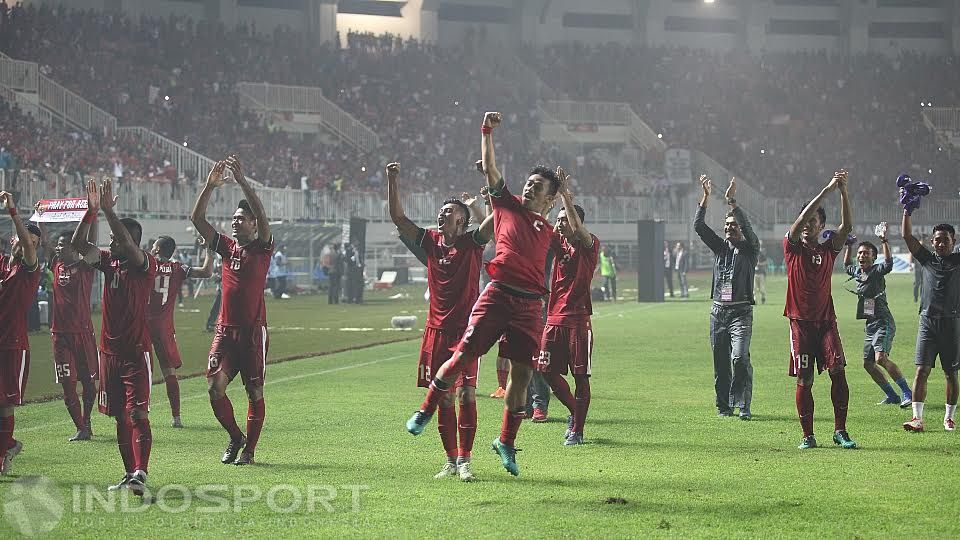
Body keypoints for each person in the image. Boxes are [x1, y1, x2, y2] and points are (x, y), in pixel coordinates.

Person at [406, 112, 559, 477]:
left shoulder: (548, 229)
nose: (530, 188)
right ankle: (426, 409)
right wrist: (486, 130)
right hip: (498, 294)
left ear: (549, 199)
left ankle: (505, 441)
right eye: (529, 182)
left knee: (521, 377)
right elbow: (491, 167)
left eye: (538, 187)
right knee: (462, 357)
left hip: (529, 306)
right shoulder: (506, 204)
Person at [388, 161, 487, 481]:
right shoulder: (430, 241)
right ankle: (450, 460)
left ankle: (466, 461)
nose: (442, 214)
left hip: (466, 332)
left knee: (467, 394)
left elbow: (497, 227)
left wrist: (482, 203)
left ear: (462, 220)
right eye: (441, 211)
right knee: (444, 396)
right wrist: (393, 181)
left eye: (449, 211)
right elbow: (399, 219)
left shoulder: (472, 243)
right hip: (435, 332)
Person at [71, 178, 157, 495]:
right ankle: (128, 474)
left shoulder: (145, 264)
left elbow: (126, 243)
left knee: (137, 413)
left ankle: (141, 473)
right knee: (119, 417)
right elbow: (79, 247)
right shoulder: (110, 263)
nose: (110, 241)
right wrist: (91, 212)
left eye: (116, 239)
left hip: (136, 353)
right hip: (109, 353)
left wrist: (109, 212)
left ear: (131, 242)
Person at [191, 156, 273, 465]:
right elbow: (197, 219)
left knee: (254, 393)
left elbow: (263, 213)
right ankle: (236, 436)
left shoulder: (263, 246)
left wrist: (242, 182)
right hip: (225, 332)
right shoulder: (227, 247)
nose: (235, 221)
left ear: (254, 224)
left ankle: (250, 451)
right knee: (214, 388)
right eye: (234, 218)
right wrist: (209, 186)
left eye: (241, 218)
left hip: (253, 333)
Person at [784, 169, 857, 450]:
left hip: (826, 322)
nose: (806, 225)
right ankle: (807, 435)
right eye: (805, 220)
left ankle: (840, 431)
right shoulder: (792, 248)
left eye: (813, 221)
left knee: (838, 371)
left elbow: (847, 227)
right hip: (800, 324)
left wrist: (843, 192)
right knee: (805, 379)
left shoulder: (828, 249)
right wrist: (826, 190)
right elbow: (800, 219)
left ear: (821, 225)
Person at [537, 170, 599, 445]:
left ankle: (578, 430)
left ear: (577, 223)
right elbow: (539, 224)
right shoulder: (559, 244)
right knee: (545, 370)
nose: (559, 224)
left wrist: (565, 198)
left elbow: (575, 225)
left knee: (580, 376)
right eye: (559, 220)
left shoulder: (589, 244)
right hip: (553, 317)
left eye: (564, 220)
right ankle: (576, 412)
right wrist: (550, 203)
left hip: (577, 321)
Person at [694, 176, 759, 420]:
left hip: (741, 313)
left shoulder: (751, 249)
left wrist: (732, 203)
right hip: (718, 312)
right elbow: (699, 227)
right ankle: (724, 407)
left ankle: (743, 404)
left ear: (741, 228)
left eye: (734, 225)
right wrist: (706, 197)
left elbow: (749, 229)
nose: (729, 227)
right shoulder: (720, 248)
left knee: (740, 358)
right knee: (721, 364)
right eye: (727, 225)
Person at [842, 223, 913, 408]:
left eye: (866, 253)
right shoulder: (858, 272)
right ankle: (892, 395)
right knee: (868, 364)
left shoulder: (876, 271)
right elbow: (846, 265)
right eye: (860, 253)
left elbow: (889, 264)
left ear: (874, 257)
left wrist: (884, 241)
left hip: (883, 321)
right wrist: (849, 245)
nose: (862, 255)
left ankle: (907, 393)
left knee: (880, 358)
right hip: (870, 324)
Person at [900, 213, 960, 432]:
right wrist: (907, 209)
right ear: (931, 241)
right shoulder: (927, 259)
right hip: (927, 322)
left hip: (951, 323)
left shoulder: (957, 260)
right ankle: (917, 418)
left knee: (950, 373)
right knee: (921, 370)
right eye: (937, 239)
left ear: (954, 241)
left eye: (946, 239)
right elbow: (907, 235)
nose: (941, 243)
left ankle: (949, 417)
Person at [149, 236, 214, 428]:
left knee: (140, 370)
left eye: (154, 247)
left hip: (142, 324)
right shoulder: (178, 268)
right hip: (164, 326)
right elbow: (207, 272)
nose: (151, 249)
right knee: (169, 372)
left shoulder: (147, 264)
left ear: (159, 250)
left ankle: (138, 411)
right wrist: (209, 251)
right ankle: (176, 417)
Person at [0, 190, 41, 475]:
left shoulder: (30, 268)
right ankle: (9, 444)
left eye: (35, 243)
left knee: (5, 403)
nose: (29, 245)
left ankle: (4, 454)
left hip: (13, 344)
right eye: (27, 239)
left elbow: (27, 243)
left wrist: (14, 212)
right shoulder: (2, 263)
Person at [50, 229, 99, 441]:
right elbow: (42, 244)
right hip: (60, 336)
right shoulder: (56, 265)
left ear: (74, 247)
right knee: (67, 384)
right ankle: (80, 427)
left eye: (62, 244)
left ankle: (87, 420)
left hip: (83, 334)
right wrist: (41, 219)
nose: (58, 248)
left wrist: (93, 212)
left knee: (88, 383)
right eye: (57, 244)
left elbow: (92, 247)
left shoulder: (85, 267)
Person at [912, 237, 924, 303]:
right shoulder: (915, 248)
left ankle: (922, 297)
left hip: (923, 268)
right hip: (917, 268)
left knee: (923, 283)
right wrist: (910, 265)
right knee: (917, 283)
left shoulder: (926, 248)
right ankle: (915, 297)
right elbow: (911, 255)